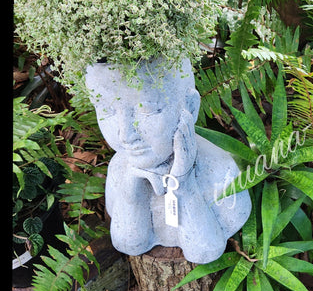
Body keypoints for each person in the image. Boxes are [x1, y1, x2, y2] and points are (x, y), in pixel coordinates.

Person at [85, 57, 251, 264]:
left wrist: (184, 184)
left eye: (146, 109)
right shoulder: (120, 168)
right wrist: (133, 194)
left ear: (190, 107)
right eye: (107, 110)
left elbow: (205, 252)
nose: (125, 135)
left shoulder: (221, 171)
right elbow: (129, 244)